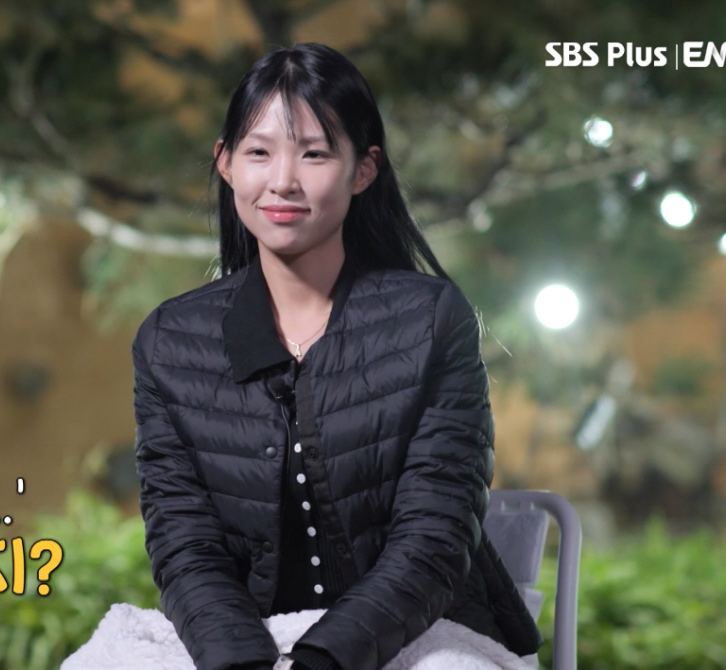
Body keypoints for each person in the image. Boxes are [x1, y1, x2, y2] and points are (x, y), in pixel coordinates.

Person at [131, 43, 542, 670]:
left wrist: (324, 661)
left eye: (314, 153)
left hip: (420, 633)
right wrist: (240, 662)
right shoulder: (170, 341)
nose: (283, 181)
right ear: (226, 164)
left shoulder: (430, 320)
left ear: (363, 170)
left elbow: (434, 539)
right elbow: (185, 548)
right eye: (259, 152)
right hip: (246, 642)